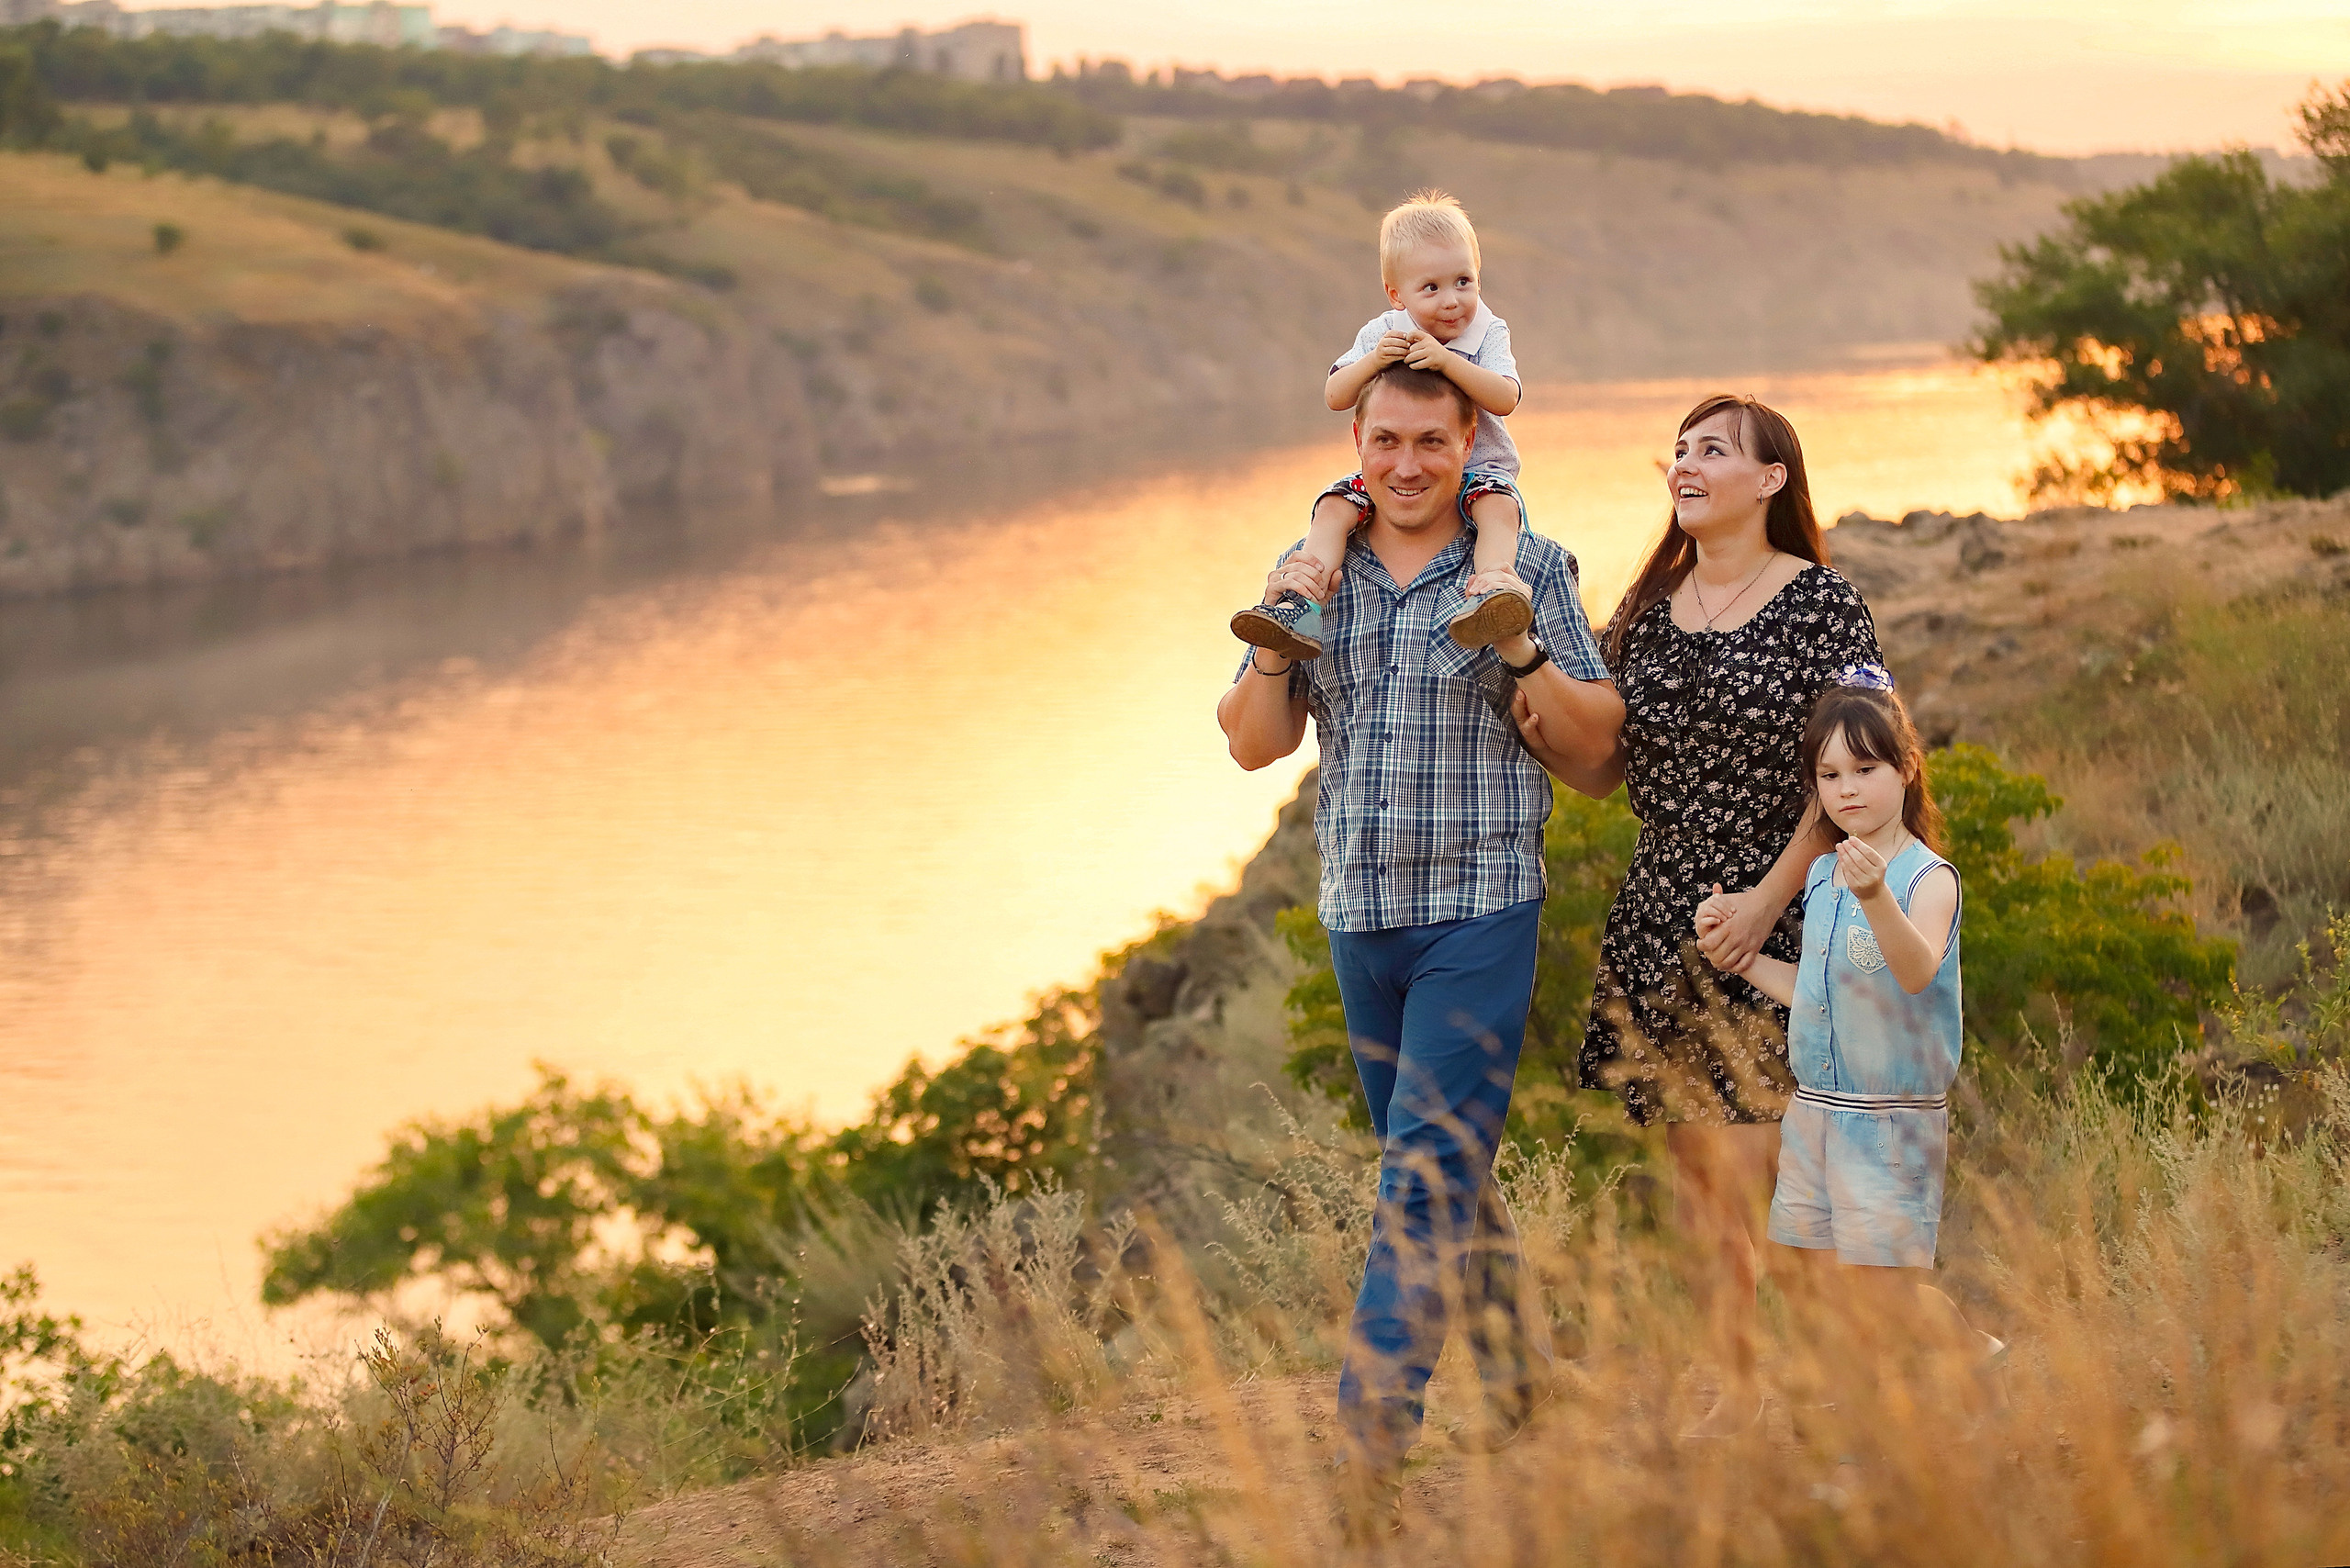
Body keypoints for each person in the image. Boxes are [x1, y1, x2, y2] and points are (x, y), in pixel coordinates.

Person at [1217, 363, 1621, 1534]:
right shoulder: (1311, 572)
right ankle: (1522, 1376)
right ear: (1355, 439)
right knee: (1438, 1161)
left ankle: (1365, 1449)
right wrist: (1284, 636)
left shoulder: (1526, 568)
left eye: (1430, 442)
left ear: (1468, 446)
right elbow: (1251, 744)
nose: (1405, 464)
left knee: (1419, 1176)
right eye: (1384, 440)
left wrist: (1525, 656)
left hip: (1481, 909)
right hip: (1359, 913)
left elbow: (1598, 761)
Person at [1513, 393, 1883, 1437]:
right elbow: (1603, 773)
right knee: (1701, 1179)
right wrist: (1533, 705)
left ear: (1769, 479)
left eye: (1712, 449)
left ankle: (1916, 1347)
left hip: (1789, 911)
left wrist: (1765, 901)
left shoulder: (1824, 603)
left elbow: (1861, 769)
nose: (1684, 463)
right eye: (1678, 448)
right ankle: (1738, 1382)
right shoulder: (1643, 611)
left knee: (1775, 1178)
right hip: (1662, 916)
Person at [1694, 671, 1998, 1417]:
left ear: (1906, 769)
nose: (1848, 790)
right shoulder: (1826, 872)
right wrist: (1739, 957)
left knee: (1880, 1289)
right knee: (1806, 1271)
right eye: (1829, 775)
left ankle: (1967, 1361)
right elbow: (1821, 993)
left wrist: (1877, 897)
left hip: (1888, 1117)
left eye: (1866, 769)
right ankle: (1866, 1405)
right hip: (1817, 1112)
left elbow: (1916, 969)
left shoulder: (1929, 878)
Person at [1229, 191, 1531, 664]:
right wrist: (1374, 359)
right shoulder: (1383, 331)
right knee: (1333, 506)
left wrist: (1448, 362)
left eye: (1463, 282)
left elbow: (1506, 398)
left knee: (1499, 512)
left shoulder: (1488, 331)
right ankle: (1300, 604)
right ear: (1397, 295)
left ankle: (1489, 594)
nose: (1452, 301)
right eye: (1430, 288)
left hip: (1479, 471)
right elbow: (1335, 396)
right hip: (1396, 478)